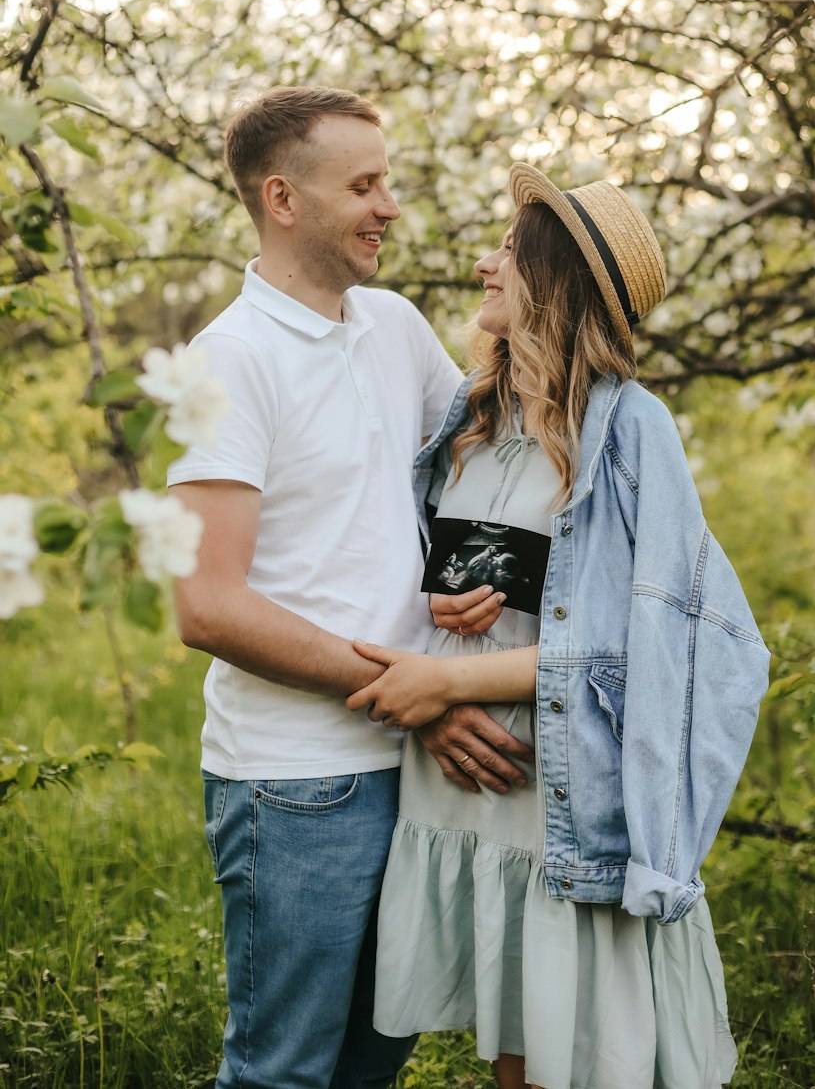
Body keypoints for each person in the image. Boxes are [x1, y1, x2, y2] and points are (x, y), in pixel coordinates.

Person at [347, 163, 771, 1089]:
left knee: (575, 1058)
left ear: (553, 279)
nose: (485, 267)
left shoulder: (627, 432)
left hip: (560, 789)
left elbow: (645, 647)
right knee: (518, 1045)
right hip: (468, 787)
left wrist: (447, 683)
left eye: (508, 251)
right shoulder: (470, 416)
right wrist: (441, 611)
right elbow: (482, 586)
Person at [166, 87, 532, 1089]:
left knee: (377, 1057)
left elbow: (468, 484)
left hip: (413, 764)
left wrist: (468, 592)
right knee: (283, 1070)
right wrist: (412, 698)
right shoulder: (228, 364)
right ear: (283, 199)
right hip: (296, 785)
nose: (390, 206)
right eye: (363, 185)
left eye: (389, 180)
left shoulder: (393, 324)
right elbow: (207, 604)